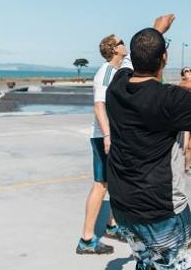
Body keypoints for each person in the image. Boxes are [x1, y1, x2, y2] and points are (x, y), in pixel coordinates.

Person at [106, 15, 191, 270]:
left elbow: (131, 61)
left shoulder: (116, 85)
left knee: (146, 262)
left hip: (122, 204)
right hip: (160, 209)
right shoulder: (170, 99)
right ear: (165, 58)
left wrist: (155, 31)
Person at [75, 34, 129, 255]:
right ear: (114, 49)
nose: (125, 44)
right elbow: (99, 106)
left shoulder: (118, 69)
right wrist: (107, 135)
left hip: (115, 136)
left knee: (116, 183)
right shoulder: (106, 73)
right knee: (101, 184)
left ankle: (112, 226)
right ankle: (86, 241)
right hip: (103, 137)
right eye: (121, 41)